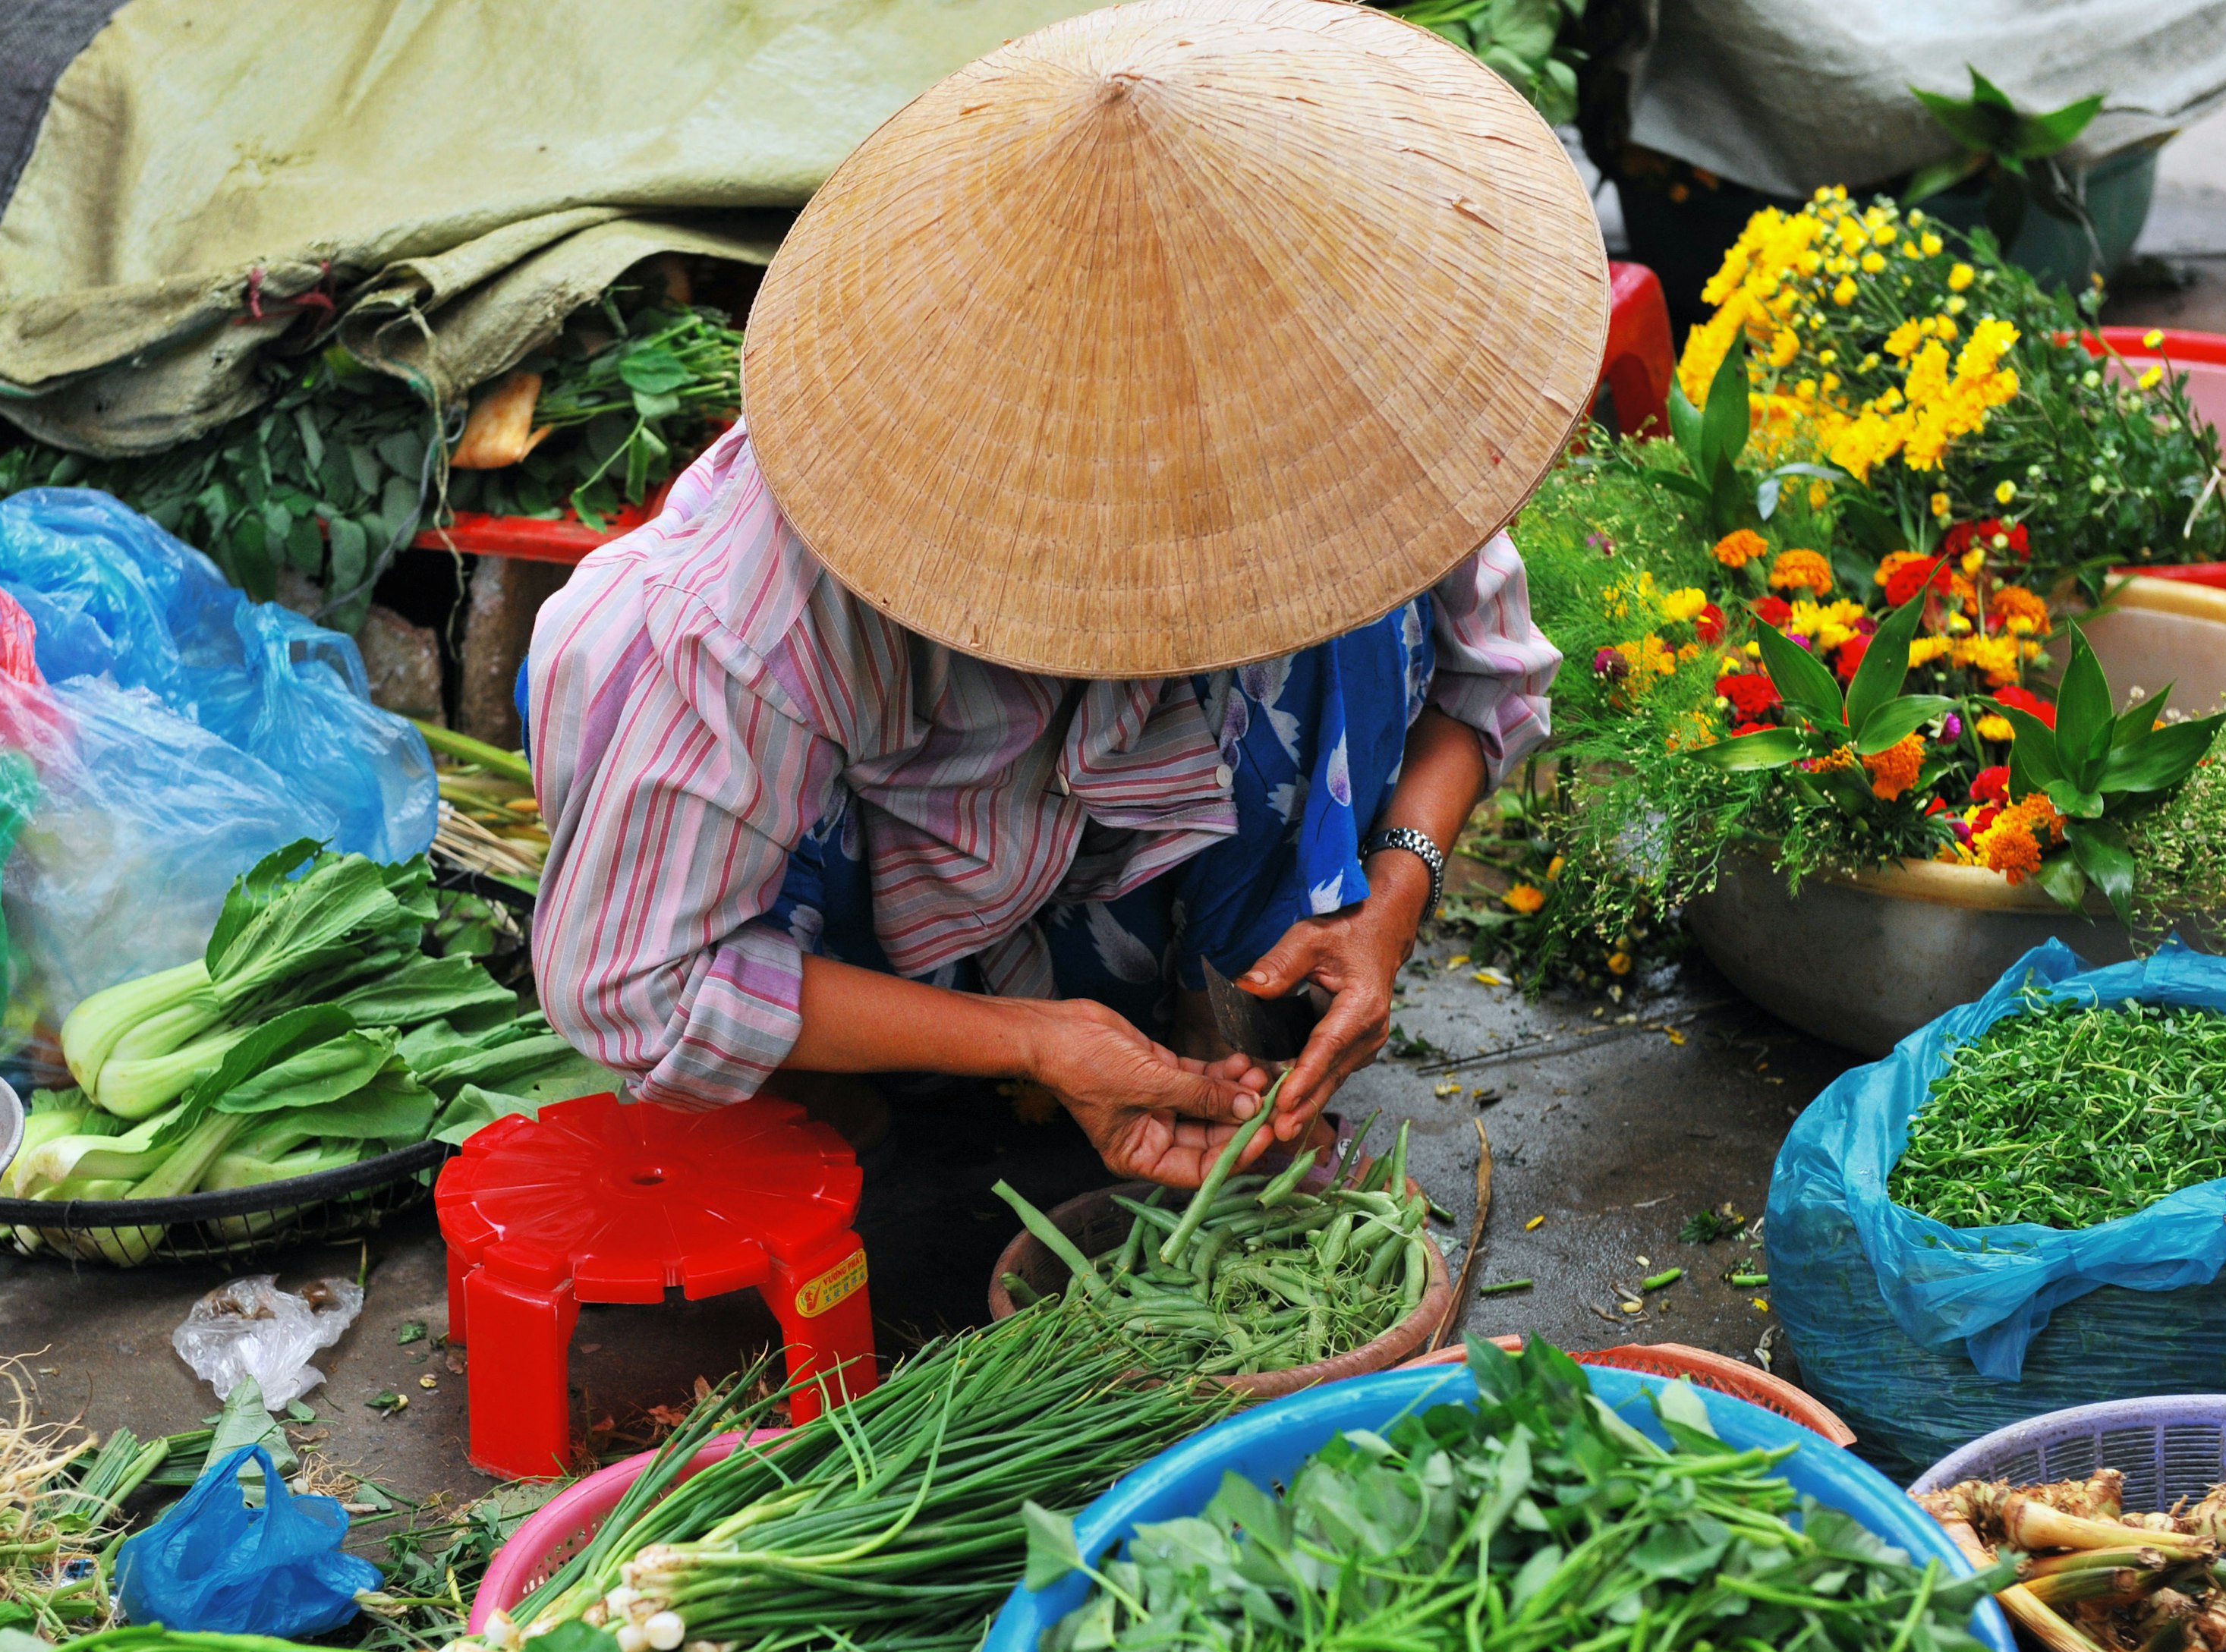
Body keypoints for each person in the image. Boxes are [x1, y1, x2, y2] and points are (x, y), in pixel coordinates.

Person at [527, 0, 1607, 1188]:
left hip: (1114, 849)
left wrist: (1395, 894)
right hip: (911, 904)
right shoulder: (753, 616)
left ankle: (1231, 996)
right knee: (749, 873)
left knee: (1368, 624)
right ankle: (876, 1074)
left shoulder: (1342, 421)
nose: (1192, 575)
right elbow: (635, 983)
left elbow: (1486, 672)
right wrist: (1035, 1044)